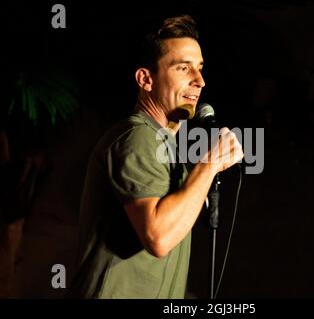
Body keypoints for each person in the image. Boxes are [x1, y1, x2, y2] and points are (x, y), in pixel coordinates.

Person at [68, 15, 243, 299]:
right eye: (183, 68)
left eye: (199, 68)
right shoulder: (136, 137)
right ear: (146, 79)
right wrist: (209, 164)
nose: (200, 81)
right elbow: (159, 238)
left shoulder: (165, 146)